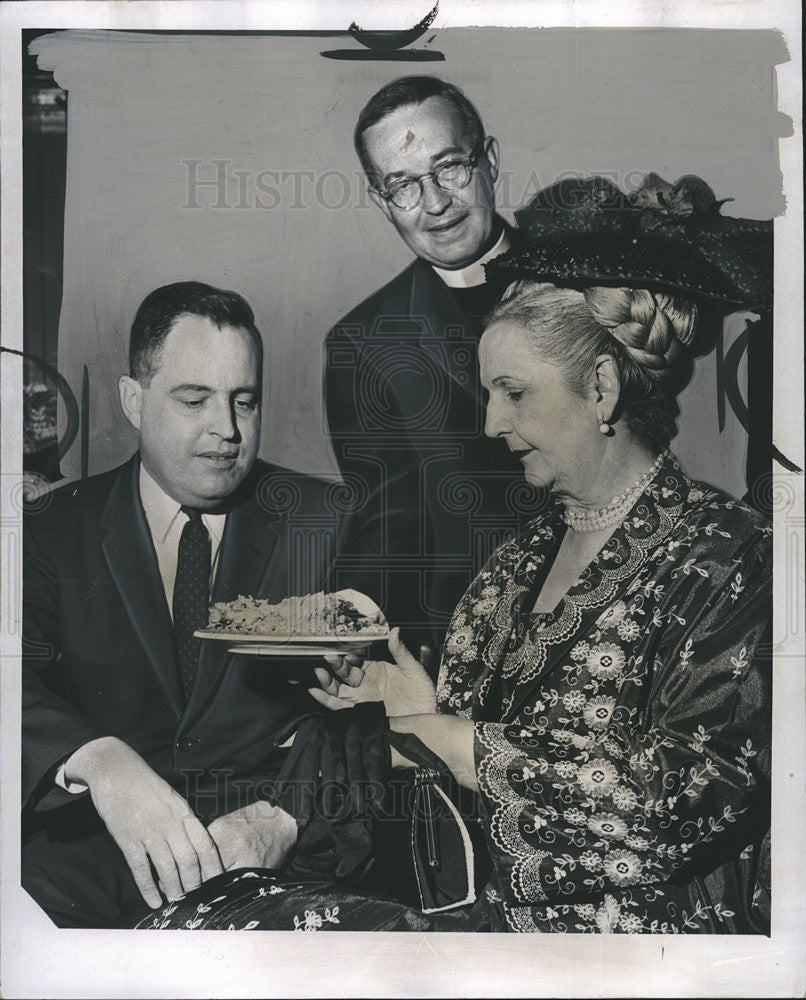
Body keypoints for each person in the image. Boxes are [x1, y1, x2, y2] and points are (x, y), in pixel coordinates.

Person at [144, 177, 772, 933]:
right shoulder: (512, 568)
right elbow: (442, 776)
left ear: (601, 388)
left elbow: (699, 793)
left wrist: (465, 745)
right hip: (479, 920)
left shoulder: (731, 558)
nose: (489, 422)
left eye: (511, 392)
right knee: (206, 917)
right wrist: (411, 711)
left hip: (637, 947)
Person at [22, 281, 339, 927]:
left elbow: (377, 711)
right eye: (194, 400)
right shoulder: (48, 528)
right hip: (86, 861)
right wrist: (98, 759)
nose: (225, 431)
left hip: (269, 859)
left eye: (244, 402)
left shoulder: (330, 520)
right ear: (133, 401)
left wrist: (288, 814)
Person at [324, 75, 534, 667]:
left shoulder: (590, 280)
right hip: (474, 649)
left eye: (450, 168)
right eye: (404, 186)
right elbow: (386, 518)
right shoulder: (361, 342)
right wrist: (353, 622)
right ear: (380, 200)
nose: (435, 203)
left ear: (488, 160)